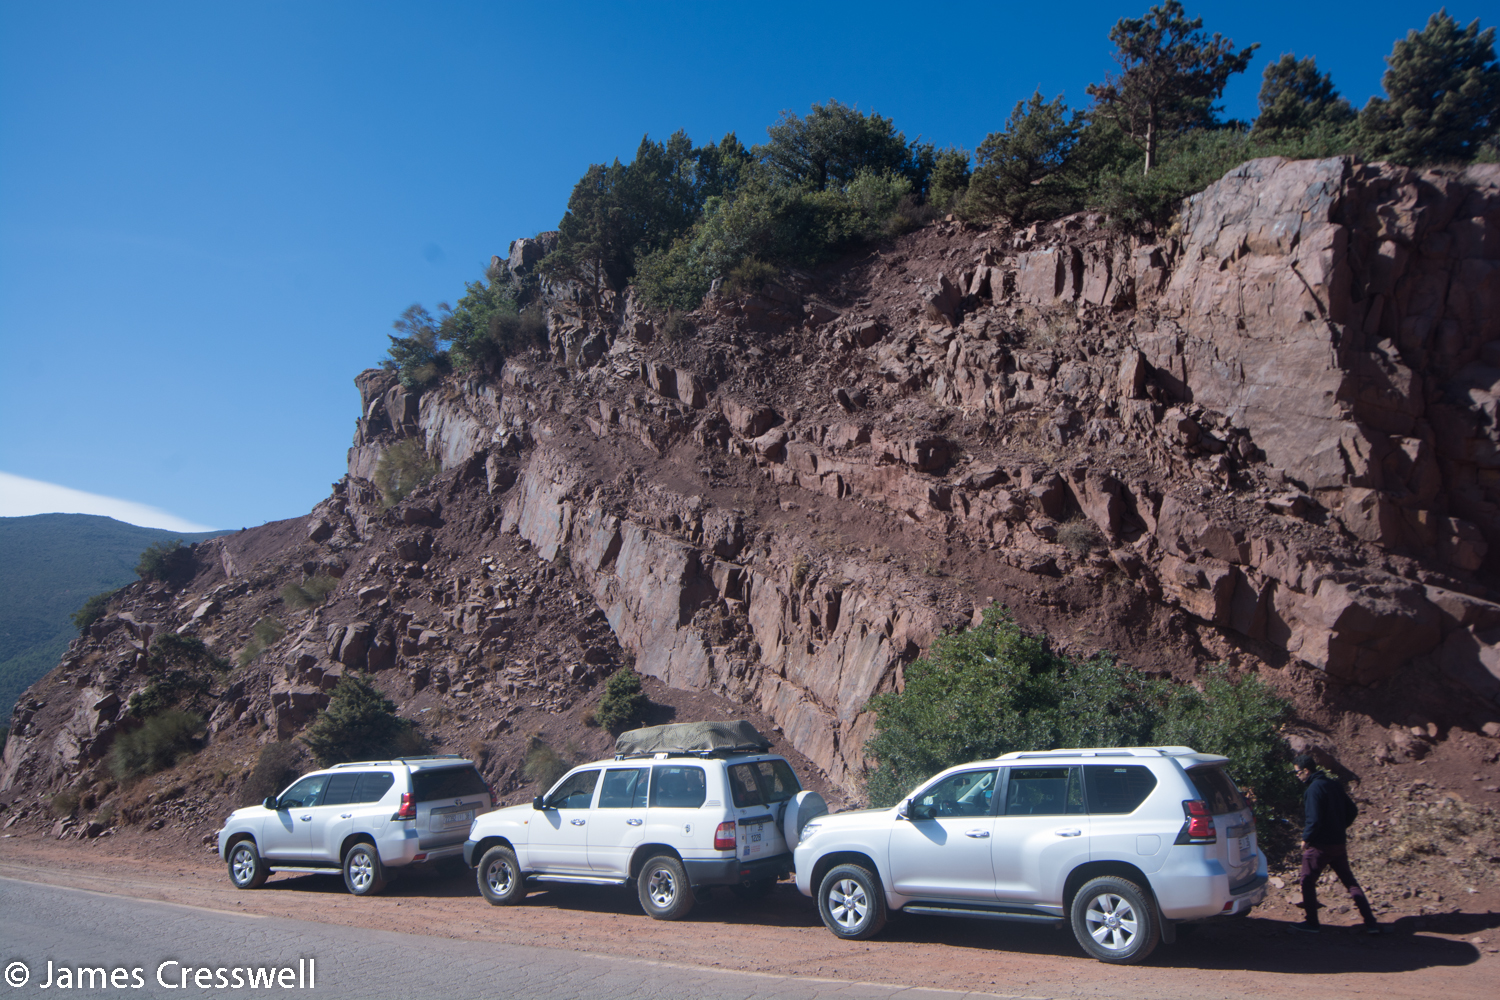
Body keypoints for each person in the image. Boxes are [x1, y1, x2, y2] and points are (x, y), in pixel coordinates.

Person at [1290, 754, 1379, 934]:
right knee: (1350, 883)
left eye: (1298, 773)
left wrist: (1306, 839)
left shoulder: (1313, 790)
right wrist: (1339, 827)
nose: (1297, 776)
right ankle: (1371, 923)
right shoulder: (1333, 784)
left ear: (1306, 771)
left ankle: (1312, 923)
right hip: (1338, 843)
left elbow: (1313, 820)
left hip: (1319, 846)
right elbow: (1352, 810)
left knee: (1307, 881)